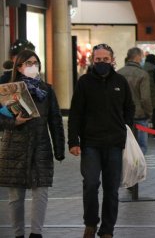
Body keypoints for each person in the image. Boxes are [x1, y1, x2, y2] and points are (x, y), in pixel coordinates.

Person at [68, 43, 135, 238]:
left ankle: (107, 230)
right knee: (90, 184)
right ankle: (90, 223)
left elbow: (129, 108)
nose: (102, 63)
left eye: (106, 59)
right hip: (91, 144)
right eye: (98, 60)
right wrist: (73, 141)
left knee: (111, 189)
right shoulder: (84, 82)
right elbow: (75, 114)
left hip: (115, 144)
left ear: (112, 60)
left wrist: (126, 128)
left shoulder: (121, 82)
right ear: (92, 60)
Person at [0, 50, 65, 238]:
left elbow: (55, 120)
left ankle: (36, 233)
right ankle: (18, 233)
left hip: (41, 146)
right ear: (19, 66)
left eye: (35, 62)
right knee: (16, 196)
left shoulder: (46, 90)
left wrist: (59, 149)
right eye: (28, 63)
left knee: (41, 192)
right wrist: (14, 122)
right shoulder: (7, 89)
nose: (32, 66)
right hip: (14, 146)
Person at [118, 47, 152, 154]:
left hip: (122, 115)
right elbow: (145, 98)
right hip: (140, 114)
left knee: (125, 145)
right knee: (141, 146)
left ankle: (125, 169)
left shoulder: (118, 73)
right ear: (137, 57)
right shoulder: (142, 74)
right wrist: (148, 112)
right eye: (141, 56)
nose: (142, 59)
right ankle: (138, 169)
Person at [143, 54, 155, 134]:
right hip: (153, 92)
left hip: (144, 92)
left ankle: (145, 131)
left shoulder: (142, 68)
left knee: (145, 113)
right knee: (154, 112)